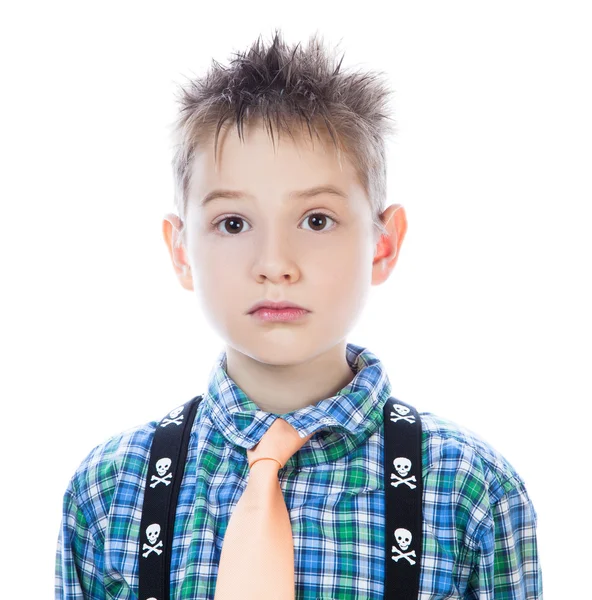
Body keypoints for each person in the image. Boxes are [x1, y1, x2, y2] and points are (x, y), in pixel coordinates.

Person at [55, 29, 542, 599]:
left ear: (383, 245)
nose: (275, 264)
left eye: (316, 220)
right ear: (182, 250)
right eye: (233, 223)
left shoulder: (470, 492)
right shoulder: (110, 490)